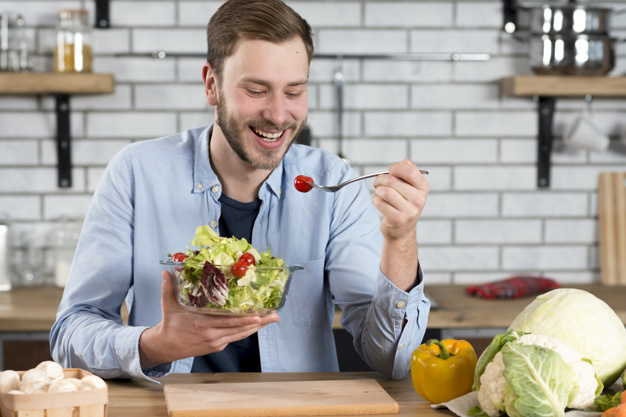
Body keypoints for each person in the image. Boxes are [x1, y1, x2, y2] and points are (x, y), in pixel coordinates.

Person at [50, 0, 431, 382]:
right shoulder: (136, 172)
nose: (279, 115)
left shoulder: (332, 183)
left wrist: (400, 240)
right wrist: (157, 344)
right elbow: (70, 334)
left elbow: (391, 360)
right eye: (256, 90)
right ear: (212, 85)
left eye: (294, 92)